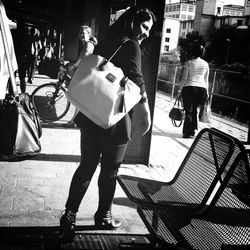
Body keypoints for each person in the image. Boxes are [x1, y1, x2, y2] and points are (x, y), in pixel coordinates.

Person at [59, 7, 156, 243]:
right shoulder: (131, 45)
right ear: (133, 22)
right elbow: (136, 78)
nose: (146, 33)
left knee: (86, 165)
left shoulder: (106, 40)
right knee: (110, 170)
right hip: (115, 120)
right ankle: (103, 215)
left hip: (92, 115)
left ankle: (69, 215)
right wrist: (146, 111)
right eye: (144, 26)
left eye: (150, 30)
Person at [65, 25, 98, 127]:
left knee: (79, 99)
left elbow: (83, 57)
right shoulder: (87, 44)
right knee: (80, 100)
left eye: (84, 33)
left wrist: (73, 66)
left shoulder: (88, 44)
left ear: (89, 34)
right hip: (87, 74)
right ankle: (75, 121)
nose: (82, 35)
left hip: (87, 76)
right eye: (80, 33)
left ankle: (74, 121)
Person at [177, 43, 209, 138]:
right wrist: (207, 93)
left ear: (193, 52)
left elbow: (184, 79)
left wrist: (179, 91)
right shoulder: (206, 64)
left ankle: (187, 132)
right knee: (194, 110)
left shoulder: (189, 63)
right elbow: (206, 79)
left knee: (189, 111)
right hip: (201, 90)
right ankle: (193, 131)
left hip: (189, 88)